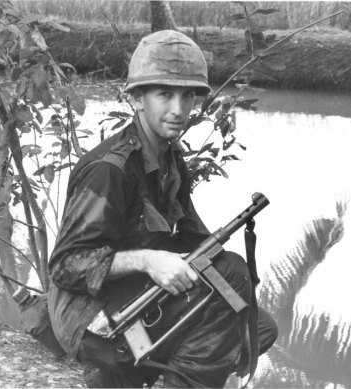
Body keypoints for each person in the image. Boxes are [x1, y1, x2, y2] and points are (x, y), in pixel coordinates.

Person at [47, 30, 278, 388]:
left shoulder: (170, 159)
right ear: (137, 99)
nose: (179, 109)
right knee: (230, 276)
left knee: (255, 324)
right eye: (165, 94)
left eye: (188, 96)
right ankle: (134, 369)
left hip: (136, 300)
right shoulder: (111, 170)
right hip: (90, 318)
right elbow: (65, 266)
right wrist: (148, 260)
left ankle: (128, 373)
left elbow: (193, 239)